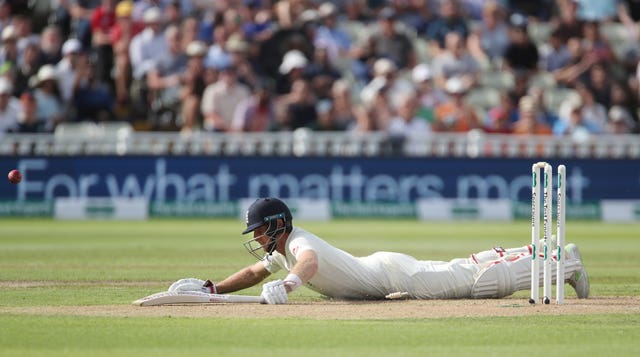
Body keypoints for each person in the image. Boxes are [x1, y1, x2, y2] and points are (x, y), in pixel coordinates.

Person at [169, 197, 590, 304]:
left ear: (276, 225)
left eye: (259, 230)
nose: (256, 237)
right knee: (464, 268)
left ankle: (564, 261)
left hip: (392, 277)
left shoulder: (298, 243)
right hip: (386, 272)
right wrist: (213, 290)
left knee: (476, 284)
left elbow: (309, 263)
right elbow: (255, 274)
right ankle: (541, 250)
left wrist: (293, 282)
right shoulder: (280, 249)